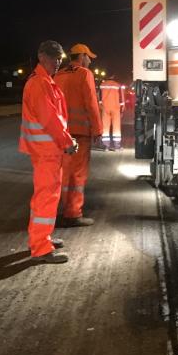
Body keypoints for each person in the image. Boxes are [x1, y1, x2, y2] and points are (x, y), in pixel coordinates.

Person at [19, 40, 77, 264]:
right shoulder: (39, 84)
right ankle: (41, 248)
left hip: (48, 150)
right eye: (54, 58)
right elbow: (50, 119)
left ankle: (42, 238)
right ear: (42, 57)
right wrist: (67, 142)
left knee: (47, 197)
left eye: (60, 59)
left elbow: (56, 119)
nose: (58, 63)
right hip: (46, 151)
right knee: (46, 197)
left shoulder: (45, 82)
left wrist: (65, 140)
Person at [54, 43, 102, 226]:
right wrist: (97, 129)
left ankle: (64, 208)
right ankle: (73, 213)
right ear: (81, 56)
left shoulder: (59, 75)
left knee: (64, 174)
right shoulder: (84, 74)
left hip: (61, 134)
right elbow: (91, 103)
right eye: (88, 57)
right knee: (77, 174)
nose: (89, 61)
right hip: (80, 134)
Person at [99, 74, 124, 150]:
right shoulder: (117, 85)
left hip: (105, 108)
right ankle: (117, 146)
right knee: (116, 127)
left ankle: (106, 146)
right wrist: (122, 109)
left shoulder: (102, 85)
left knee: (105, 127)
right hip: (115, 108)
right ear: (113, 77)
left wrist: (100, 108)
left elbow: (99, 99)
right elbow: (121, 99)